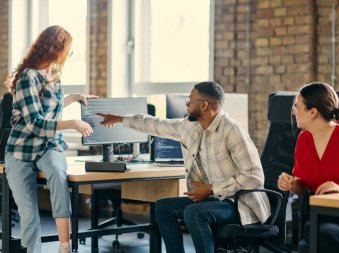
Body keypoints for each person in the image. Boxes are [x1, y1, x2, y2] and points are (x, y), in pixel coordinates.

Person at [97, 81, 271, 253]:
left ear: (203, 105)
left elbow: (254, 177)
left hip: (240, 203)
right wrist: (120, 119)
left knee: (193, 212)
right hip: (215, 200)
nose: (187, 105)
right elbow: (157, 125)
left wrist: (211, 189)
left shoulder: (232, 131)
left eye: (190, 100)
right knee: (163, 207)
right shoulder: (190, 127)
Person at [4, 26, 96, 253]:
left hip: (48, 146)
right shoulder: (28, 77)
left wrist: (73, 98)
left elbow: (49, 109)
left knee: (58, 173)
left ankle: (64, 247)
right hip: (21, 150)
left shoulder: (53, 76)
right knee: (30, 216)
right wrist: (73, 124)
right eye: (67, 49)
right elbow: (35, 122)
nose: (68, 54)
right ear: (55, 48)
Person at [277, 82, 339, 253]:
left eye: (297, 107)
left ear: (312, 112)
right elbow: (304, 185)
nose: (294, 112)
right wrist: (292, 184)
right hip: (323, 215)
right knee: (327, 235)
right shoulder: (303, 140)